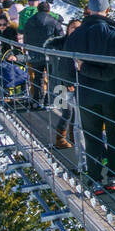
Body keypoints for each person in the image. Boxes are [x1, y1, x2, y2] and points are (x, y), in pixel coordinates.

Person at [66, 0, 115, 192]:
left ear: (88, 10)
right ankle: (114, 177)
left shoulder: (76, 34)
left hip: (85, 93)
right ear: (107, 10)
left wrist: (79, 73)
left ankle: (94, 178)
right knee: (114, 135)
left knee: (91, 136)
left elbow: (68, 63)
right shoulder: (114, 34)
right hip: (111, 93)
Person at [46, 18, 82, 149]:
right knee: (67, 112)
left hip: (74, 83)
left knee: (74, 113)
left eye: (79, 28)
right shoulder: (61, 43)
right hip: (62, 83)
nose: (76, 30)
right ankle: (60, 139)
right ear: (68, 29)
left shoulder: (82, 43)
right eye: (73, 27)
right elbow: (62, 65)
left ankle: (73, 139)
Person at [22, 0, 63, 107]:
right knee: (51, 76)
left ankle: (36, 100)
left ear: (37, 10)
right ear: (49, 10)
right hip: (50, 54)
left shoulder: (30, 21)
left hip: (34, 53)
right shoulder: (54, 21)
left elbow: (25, 38)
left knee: (37, 76)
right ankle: (49, 100)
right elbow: (61, 37)